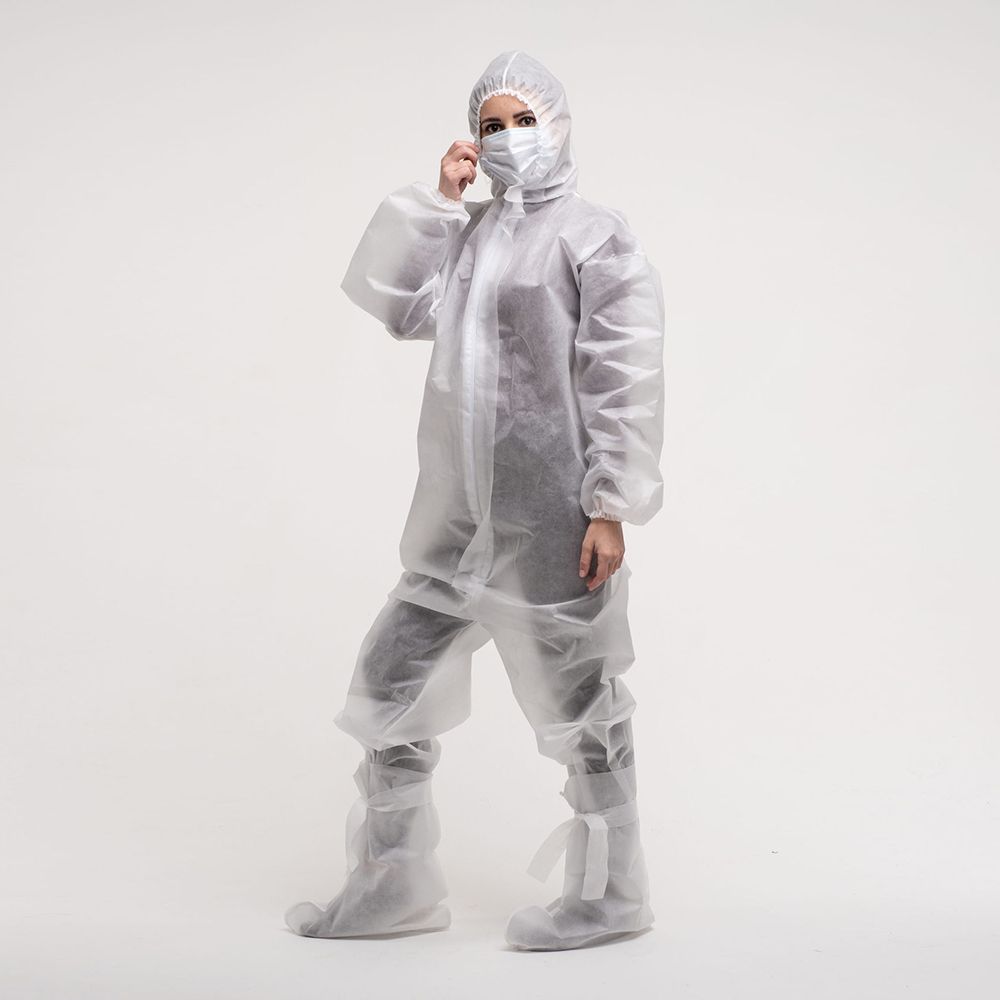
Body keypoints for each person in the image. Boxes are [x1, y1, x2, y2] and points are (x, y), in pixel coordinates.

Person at [284, 49, 666, 952]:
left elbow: (622, 374)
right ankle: (393, 887)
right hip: (455, 524)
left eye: (522, 120)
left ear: (557, 124)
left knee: (582, 710)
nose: (507, 138)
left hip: (551, 519)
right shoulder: (471, 235)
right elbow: (400, 306)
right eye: (491, 125)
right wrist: (440, 201)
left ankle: (612, 897)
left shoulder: (594, 236)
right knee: (387, 686)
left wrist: (610, 503)